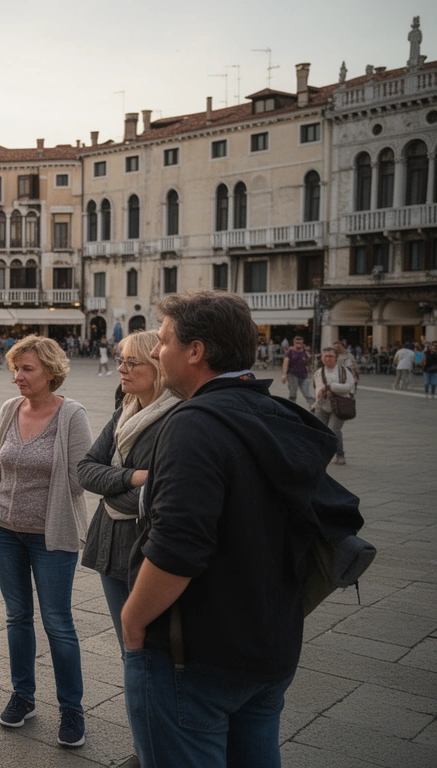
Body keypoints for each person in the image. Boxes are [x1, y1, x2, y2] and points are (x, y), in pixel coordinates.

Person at [122, 290, 342, 766]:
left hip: (196, 654)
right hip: (271, 645)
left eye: (164, 341)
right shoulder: (279, 415)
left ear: (196, 351)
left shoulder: (192, 425)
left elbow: (178, 547)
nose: (156, 352)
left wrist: (133, 620)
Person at [0, 335, 93, 748]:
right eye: (15, 368)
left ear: (51, 372)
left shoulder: (72, 415)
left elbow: (81, 479)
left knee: (57, 622)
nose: (17, 376)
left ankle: (71, 708)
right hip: (4, 530)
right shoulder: (9, 409)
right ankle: (23, 695)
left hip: (51, 535)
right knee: (17, 616)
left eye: (27, 369)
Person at [77, 331, 180, 764]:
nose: (121, 368)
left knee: (151, 658)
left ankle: (158, 751)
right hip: (110, 545)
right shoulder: (126, 408)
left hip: (146, 550)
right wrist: (132, 477)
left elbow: (159, 495)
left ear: (157, 367)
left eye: (131, 362)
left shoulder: (177, 417)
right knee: (129, 654)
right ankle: (145, 747)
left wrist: (120, 485)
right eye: (120, 360)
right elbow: (85, 469)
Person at [313, 347, 357, 466]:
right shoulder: (318, 372)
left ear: (336, 358)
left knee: (334, 430)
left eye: (330, 356)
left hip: (339, 405)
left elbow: (349, 387)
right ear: (322, 358)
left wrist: (331, 387)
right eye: (325, 356)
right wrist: (315, 403)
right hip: (322, 405)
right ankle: (320, 455)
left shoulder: (344, 371)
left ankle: (340, 455)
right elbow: (318, 389)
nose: (327, 359)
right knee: (319, 430)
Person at [281, 335, 314, 406]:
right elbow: (285, 363)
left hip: (303, 374)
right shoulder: (290, 352)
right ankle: (292, 407)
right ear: (294, 343)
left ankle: (313, 405)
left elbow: (308, 364)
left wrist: (308, 374)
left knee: (306, 392)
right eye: (296, 343)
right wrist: (284, 374)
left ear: (302, 344)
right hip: (292, 374)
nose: (298, 344)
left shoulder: (305, 352)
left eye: (300, 343)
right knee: (293, 392)